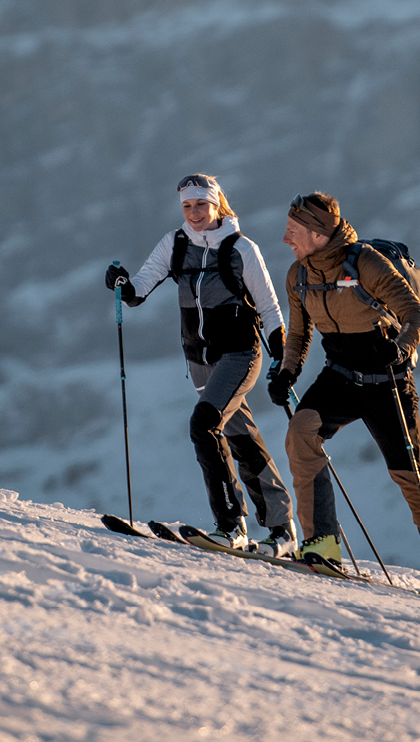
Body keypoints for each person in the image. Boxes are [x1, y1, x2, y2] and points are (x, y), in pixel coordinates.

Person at [268, 192, 420, 601]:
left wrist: (404, 347)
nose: (285, 239)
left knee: (410, 476)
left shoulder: (366, 264)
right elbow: (300, 333)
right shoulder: (297, 275)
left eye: (292, 231)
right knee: (301, 432)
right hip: (340, 375)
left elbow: (416, 313)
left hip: (387, 380)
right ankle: (322, 545)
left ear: (318, 234)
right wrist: (287, 372)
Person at [105, 174, 297, 556]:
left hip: (240, 356)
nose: (194, 213)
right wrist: (122, 284)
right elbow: (139, 288)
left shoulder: (241, 248)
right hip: (199, 361)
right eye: (187, 206)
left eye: (201, 205)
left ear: (217, 205)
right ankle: (282, 530)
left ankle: (231, 526)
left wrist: (282, 355)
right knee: (240, 437)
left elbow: (270, 308)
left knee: (204, 425)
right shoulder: (175, 244)